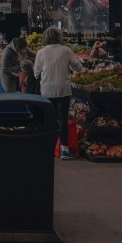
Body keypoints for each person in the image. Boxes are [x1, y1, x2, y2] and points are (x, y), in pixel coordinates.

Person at [32, 26, 83, 160]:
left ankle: (47, 147)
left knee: (49, 119)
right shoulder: (66, 50)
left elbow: (36, 73)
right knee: (63, 119)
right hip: (63, 89)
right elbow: (79, 67)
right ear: (60, 37)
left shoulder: (41, 52)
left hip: (46, 90)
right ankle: (64, 150)